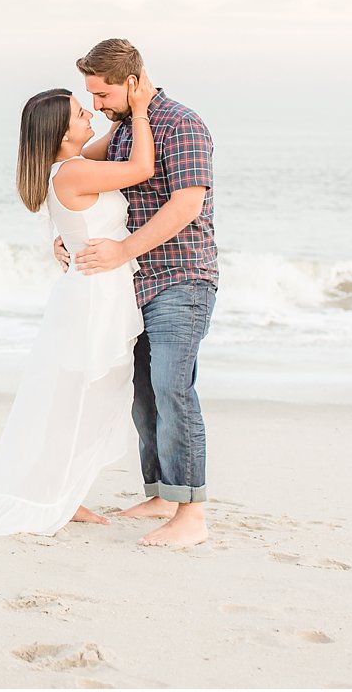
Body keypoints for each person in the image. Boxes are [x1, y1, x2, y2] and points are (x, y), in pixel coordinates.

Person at [0, 72, 156, 536]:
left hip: (95, 294)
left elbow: (103, 158)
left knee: (80, 403)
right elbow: (142, 168)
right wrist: (143, 108)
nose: (89, 112)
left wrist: (126, 113)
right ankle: (58, 498)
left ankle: (63, 494)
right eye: (79, 111)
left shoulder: (69, 166)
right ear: (61, 131)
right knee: (80, 403)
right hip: (94, 301)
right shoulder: (73, 171)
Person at [56, 38, 217, 549]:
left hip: (181, 276)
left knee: (173, 386)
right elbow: (74, 174)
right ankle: (163, 493)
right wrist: (67, 233)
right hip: (132, 284)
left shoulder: (181, 124)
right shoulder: (126, 129)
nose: (98, 107)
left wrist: (123, 250)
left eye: (101, 95)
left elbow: (186, 205)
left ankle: (191, 515)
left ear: (131, 82)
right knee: (144, 393)